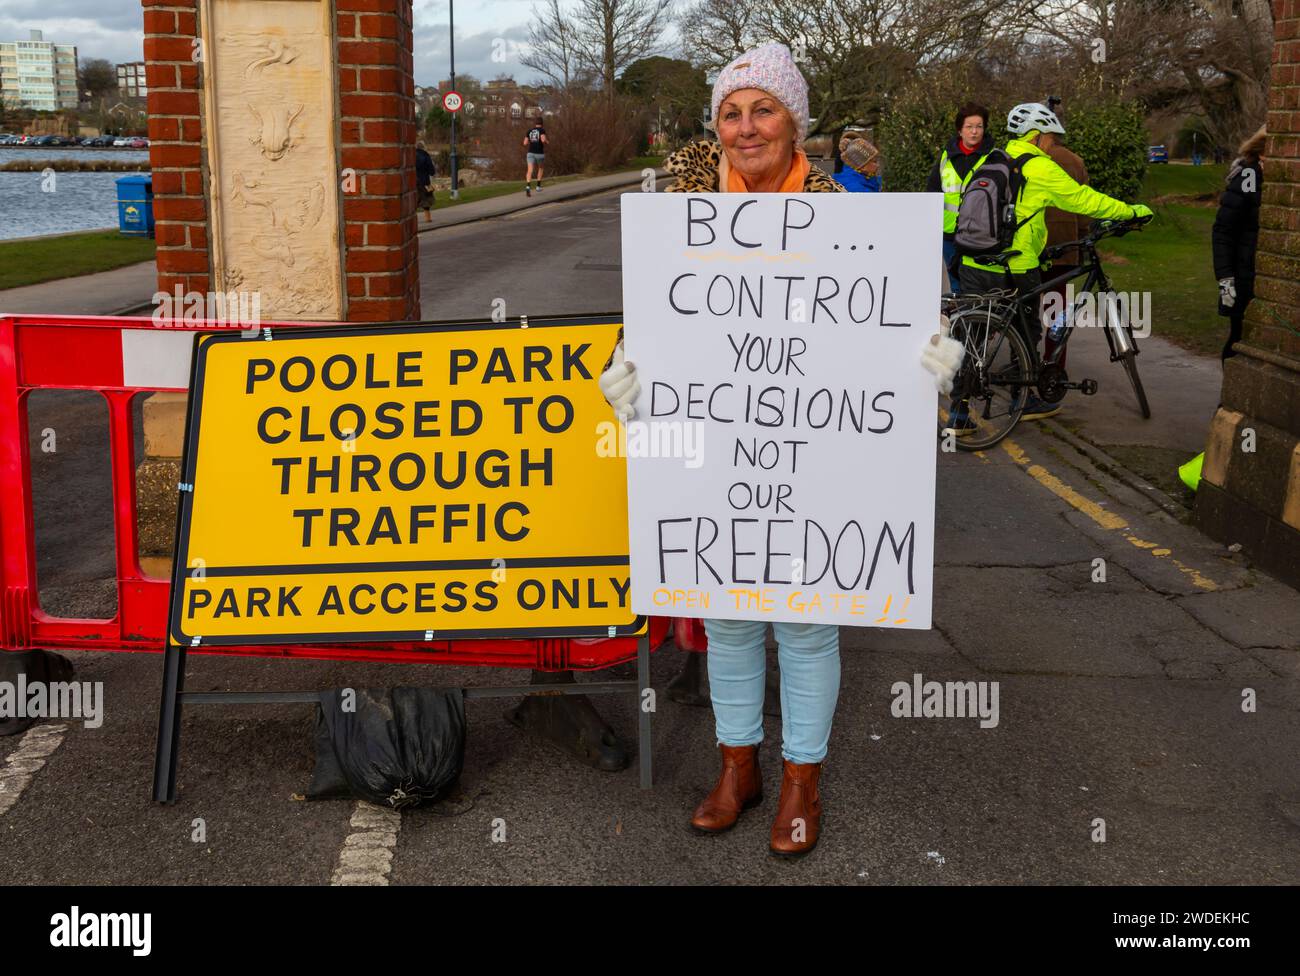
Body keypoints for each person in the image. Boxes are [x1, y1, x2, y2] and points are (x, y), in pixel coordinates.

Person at [597, 42, 965, 858]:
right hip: (714, 444)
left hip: (813, 457)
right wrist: (623, 374)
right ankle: (738, 769)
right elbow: (651, 323)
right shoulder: (679, 211)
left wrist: (931, 368)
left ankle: (802, 778)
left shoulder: (847, 216)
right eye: (731, 111)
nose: (745, 126)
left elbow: (891, 330)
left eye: (763, 109)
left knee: (805, 621)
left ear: (795, 121)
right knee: (727, 614)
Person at [953, 102, 1153, 430]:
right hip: (1013, 267)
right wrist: (1133, 212)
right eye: (1049, 137)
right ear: (1036, 136)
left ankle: (959, 416)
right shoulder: (1038, 167)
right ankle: (1025, 401)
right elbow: (1084, 199)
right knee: (1027, 331)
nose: (1051, 144)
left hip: (975, 261)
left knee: (974, 337)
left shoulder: (992, 159)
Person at [1039, 117, 1092, 409]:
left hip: (1033, 249)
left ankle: (1020, 364)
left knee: (1025, 311)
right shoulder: (1074, 161)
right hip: (1064, 247)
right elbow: (1084, 207)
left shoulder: (1032, 160)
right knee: (1057, 315)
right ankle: (1053, 370)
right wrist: (1082, 236)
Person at [928, 103, 995, 293]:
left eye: (979, 126)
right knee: (956, 284)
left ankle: (978, 320)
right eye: (969, 127)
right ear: (960, 130)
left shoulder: (993, 157)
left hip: (980, 234)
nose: (974, 132)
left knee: (979, 285)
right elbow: (932, 192)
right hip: (949, 234)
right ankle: (964, 320)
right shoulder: (945, 158)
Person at [1212, 125, 1265, 362]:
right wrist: (1225, 280)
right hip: (1243, 277)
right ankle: (1230, 397)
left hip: (1261, 275)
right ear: (1263, 151)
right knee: (1239, 339)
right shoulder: (1249, 176)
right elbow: (1223, 231)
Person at [523, 116, 547, 197]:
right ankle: (538, 186)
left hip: (530, 153)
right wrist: (547, 141)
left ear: (535, 123)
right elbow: (543, 140)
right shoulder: (542, 130)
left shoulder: (529, 131)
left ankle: (528, 187)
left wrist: (531, 141)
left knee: (530, 170)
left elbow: (525, 143)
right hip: (539, 153)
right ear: (542, 124)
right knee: (541, 168)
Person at [415, 141, 436, 223]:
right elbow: (431, 170)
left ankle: (412, 218)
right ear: (423, 147)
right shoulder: (425, 155)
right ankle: (428, 218)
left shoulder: (411, 155)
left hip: (413, 180)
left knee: (414, 199)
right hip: (424, 180)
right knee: (426, 199)